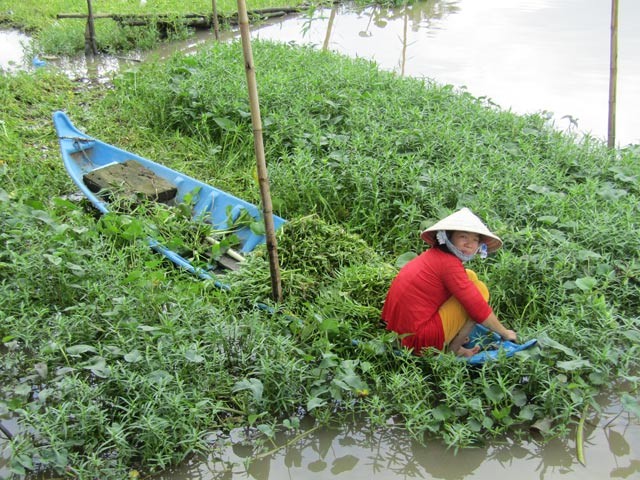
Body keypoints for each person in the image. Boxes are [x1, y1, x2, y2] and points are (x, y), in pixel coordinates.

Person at [381, 207, 517, 357]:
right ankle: (453, 350)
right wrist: (505, 332)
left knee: (469, 276)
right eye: (463, 237)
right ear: (448, 237)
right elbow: (478, 307)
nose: (469, 244)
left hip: (398, 331)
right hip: (417, 341)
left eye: (475, 240)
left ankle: (453, 342)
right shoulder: (448, 264)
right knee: (479, 291)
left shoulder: (435, 256)